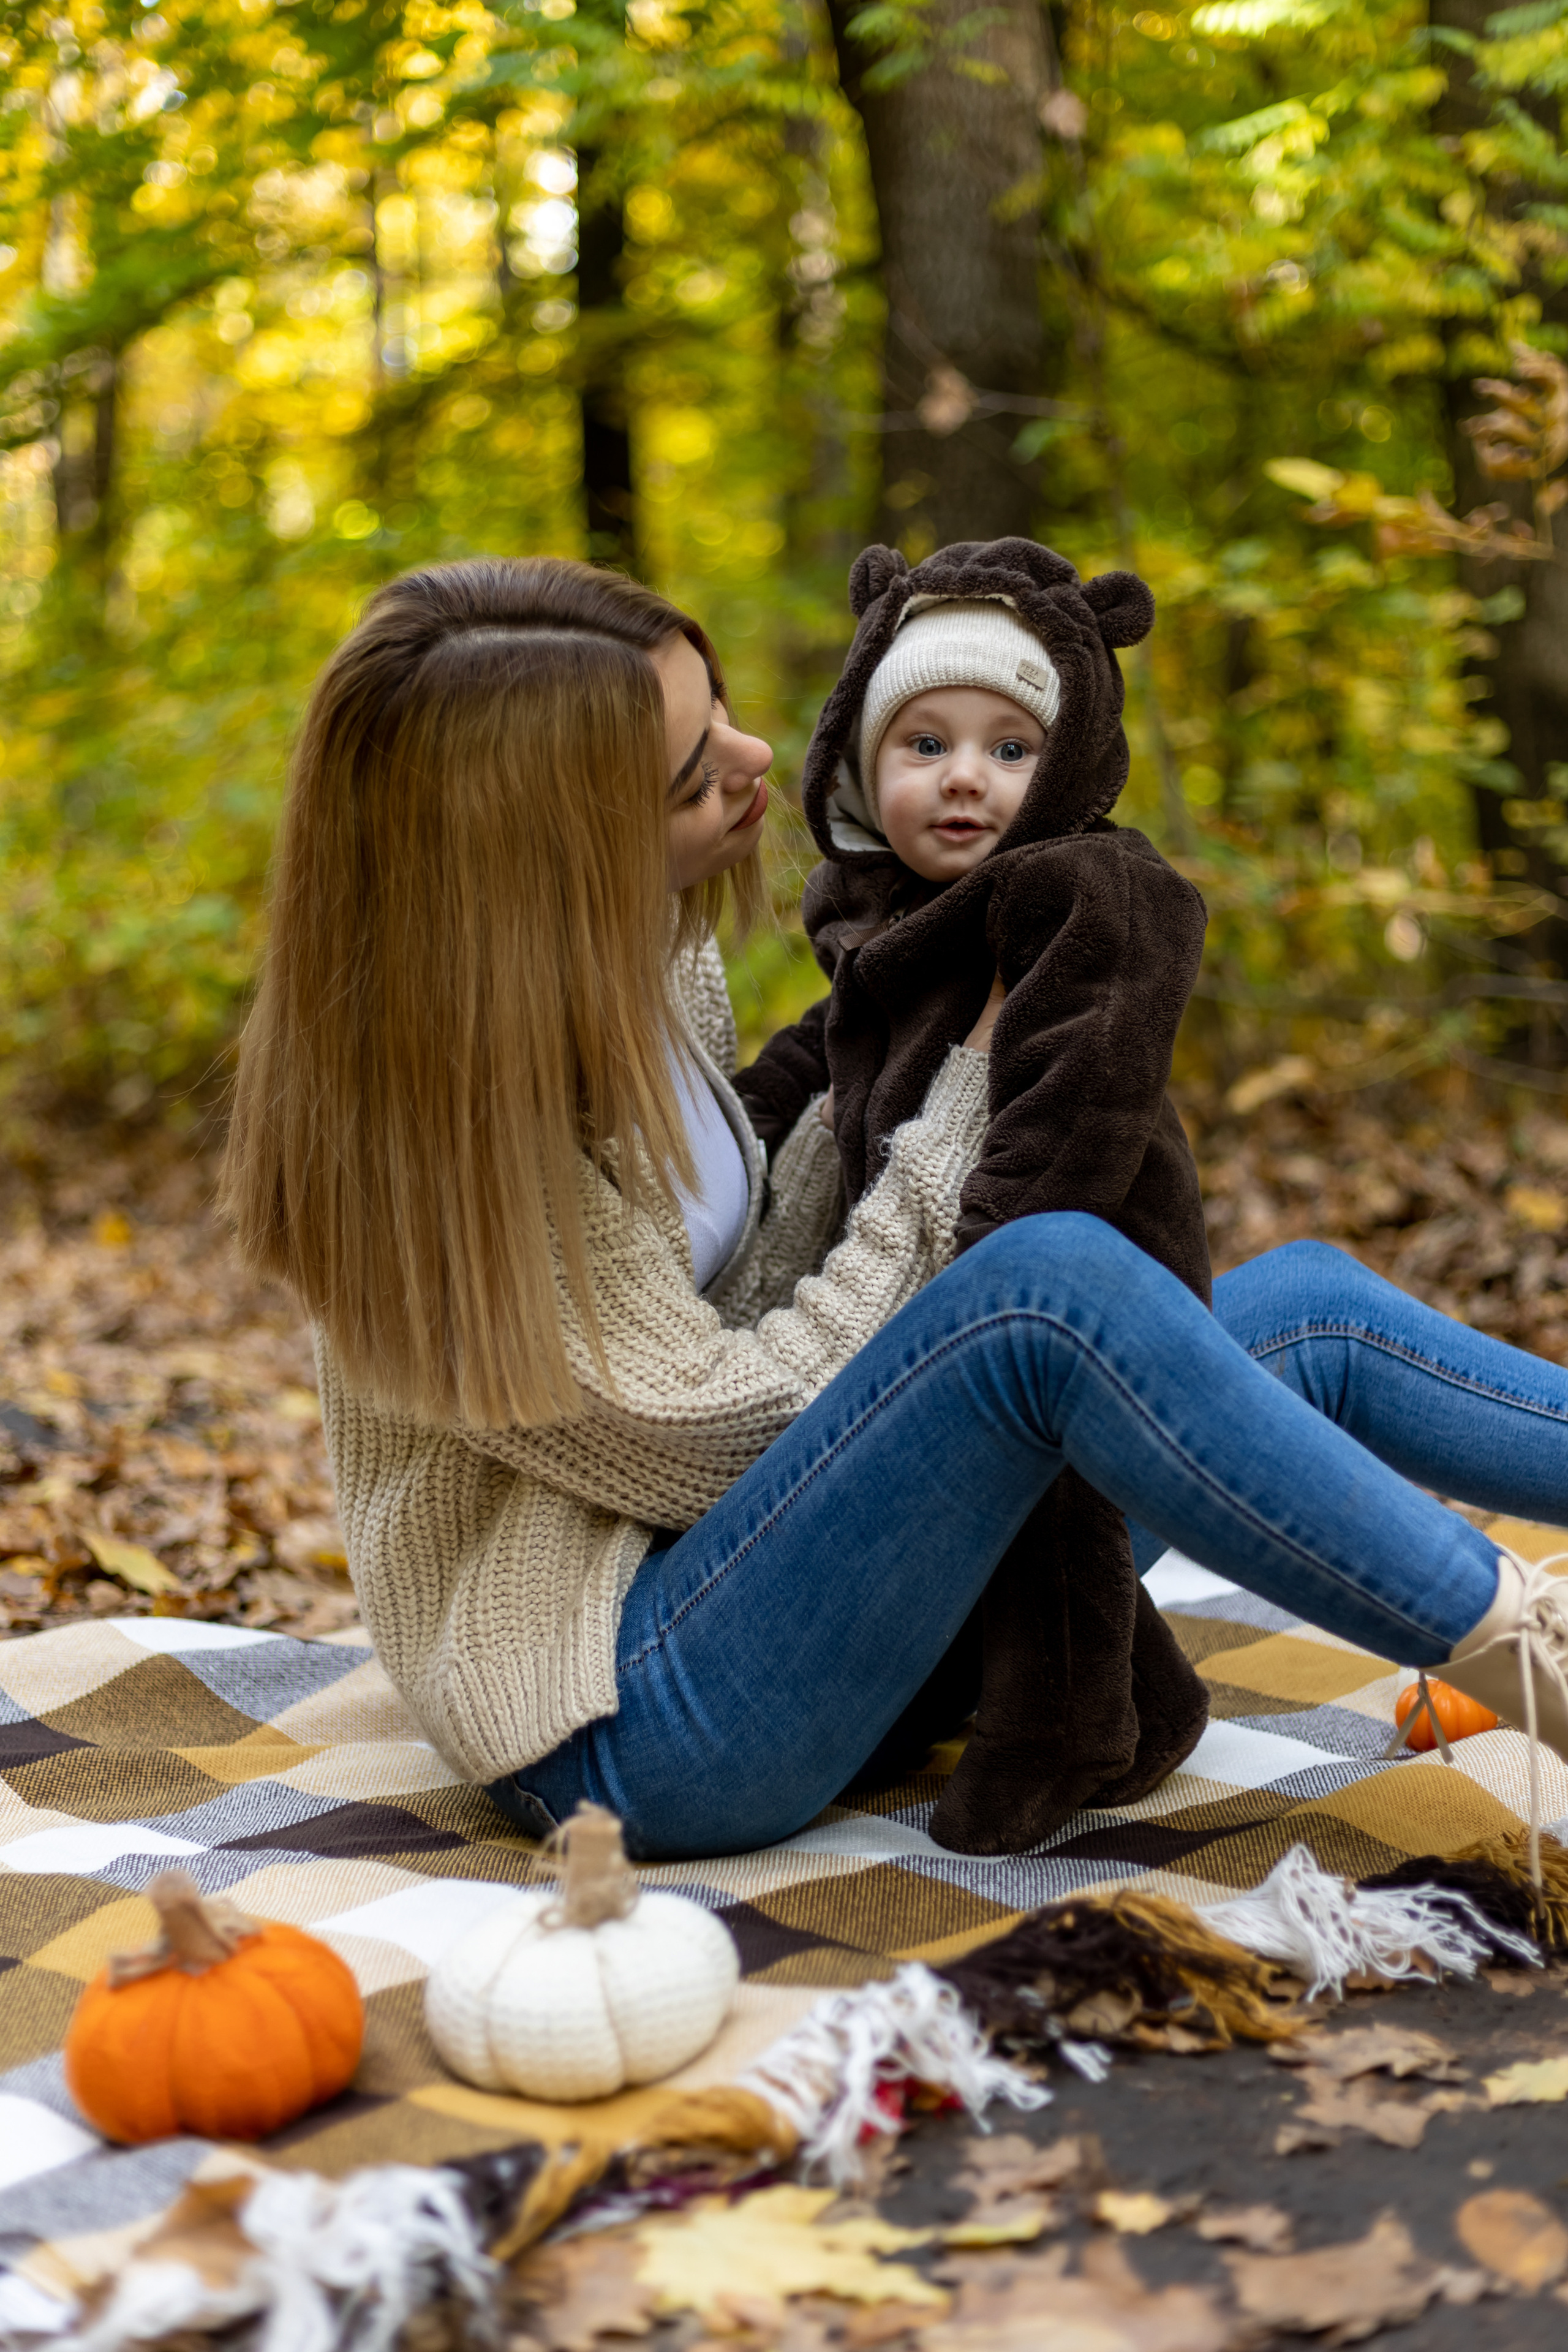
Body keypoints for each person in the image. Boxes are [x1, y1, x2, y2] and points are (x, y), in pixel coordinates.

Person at [222, 552, 1568, 1871]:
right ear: (552, 857)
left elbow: (750, 1259)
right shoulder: (460, 1150)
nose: (760, 759)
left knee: (1303, 1312)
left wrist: (914, 1051)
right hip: (630, 1725)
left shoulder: (641, 963)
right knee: (1048, 1286)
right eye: (696, 772)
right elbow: (730, 1439)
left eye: (724, 713)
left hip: (770, 1581)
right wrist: (976, 1086)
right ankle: (1518, 1648)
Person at [735, 537, 1213, 1856]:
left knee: (1038, 1488)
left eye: (1010, 749)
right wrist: (738, 1118)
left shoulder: (1083, 893)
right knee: (973, 1501)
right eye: (925, 742)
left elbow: (1077, 1094)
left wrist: (992, 1290)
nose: (963, 778)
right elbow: (823, 1050)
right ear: (856, 761)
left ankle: (1058, 1725)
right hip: (965, 1257)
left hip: (1076, 1251)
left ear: (1063, 766)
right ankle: (1144, 1699)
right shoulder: (886, 911)